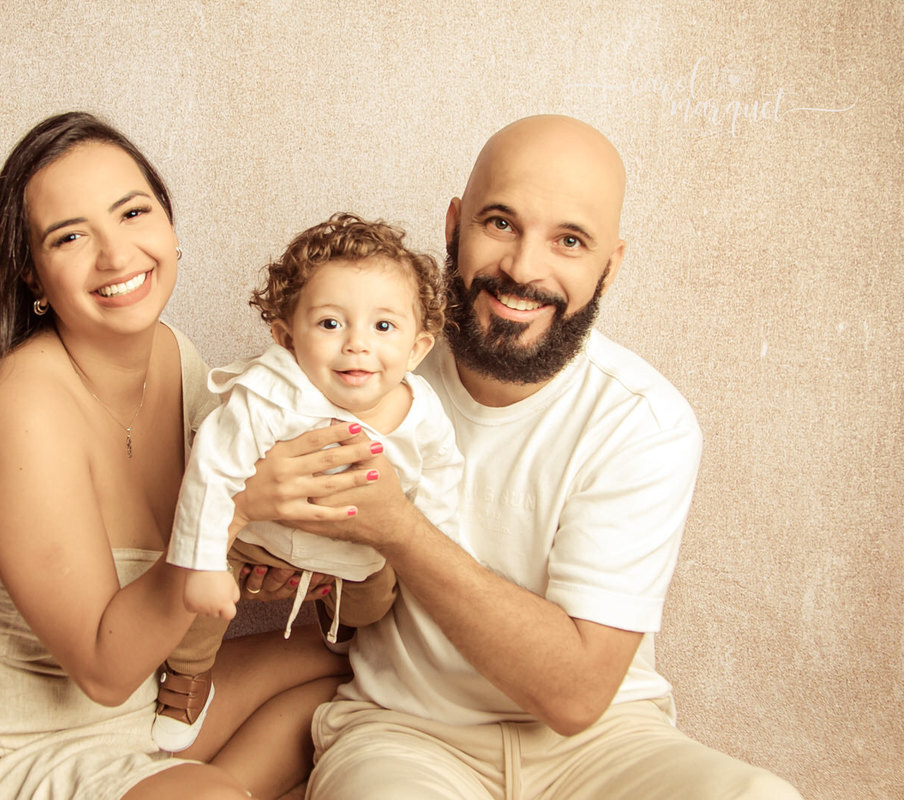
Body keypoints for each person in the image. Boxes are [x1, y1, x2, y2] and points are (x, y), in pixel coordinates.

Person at [240, 115, 802, 799]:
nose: (523, 269)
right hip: (405, 736)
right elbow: (263, 507)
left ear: (609, 265)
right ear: (454, 226)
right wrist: (269, 544)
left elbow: (574, 696)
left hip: (605, 745)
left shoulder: (642, 420)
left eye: (569, 240)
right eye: (501, 223)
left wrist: (398, 527)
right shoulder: (361, 367)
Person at [0, 111, 346, 800]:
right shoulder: (21, 412)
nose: (118, 255)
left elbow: (183, 577)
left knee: (354, 670)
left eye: (132, 213)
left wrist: (267, 559)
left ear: (172, 229)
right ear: (32, 276)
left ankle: (191, 785)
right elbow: (103, 667)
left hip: (141, 714)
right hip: (4, 750)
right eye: (70, 236)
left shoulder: (177, 358)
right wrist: (234, 511)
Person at [154, 213, 464, 753]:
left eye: (383, 327)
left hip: (356, 554)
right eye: (330, 324)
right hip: (260, 541)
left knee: (374, 606)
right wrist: (203, 562)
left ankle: (335, 615)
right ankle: (186, 675)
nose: (357, 345)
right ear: (286, 338)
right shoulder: (271, 394)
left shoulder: (422, 413)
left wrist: (430, 538)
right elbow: (212, 469)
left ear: (417, 348)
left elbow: (442, 474)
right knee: (200, 604)